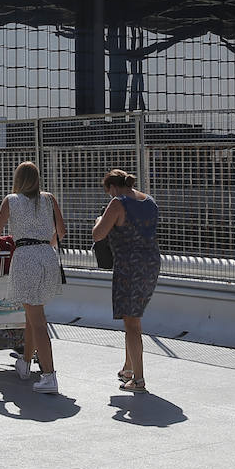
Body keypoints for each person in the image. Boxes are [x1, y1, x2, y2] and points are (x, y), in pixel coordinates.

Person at [0, 161, 66, 394]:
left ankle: (49, 375)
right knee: (33, 314)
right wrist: (46, 245)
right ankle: (25, 363)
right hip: (47, 257)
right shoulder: (49, 199)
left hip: (25, 259)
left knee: (38, 320)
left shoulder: (11, 200)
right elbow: (61, 231)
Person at [91, 168, 161, 393]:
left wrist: (100, 219)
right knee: (132, 318)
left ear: (112, 187)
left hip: (130, 266)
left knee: (132, 323)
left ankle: (138, 380)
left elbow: (98, 234)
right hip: (151, 263)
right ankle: (128, 368)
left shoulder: (117, 203)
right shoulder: (149, 201)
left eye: (108, 191)